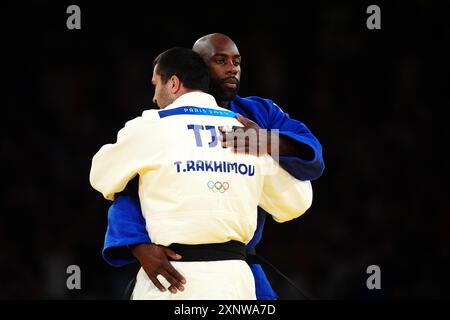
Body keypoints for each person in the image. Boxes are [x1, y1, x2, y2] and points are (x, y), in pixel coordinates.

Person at [103, 34, 325, 299]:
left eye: (237, 62)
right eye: (221, 61)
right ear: (197, 68)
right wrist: (137, 245)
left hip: (237, 257)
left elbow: (314, 160)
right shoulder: (162, 123)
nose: (232, 68)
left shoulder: (258, 113)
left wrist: (267, 141)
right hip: (175, 259)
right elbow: (128, 189)